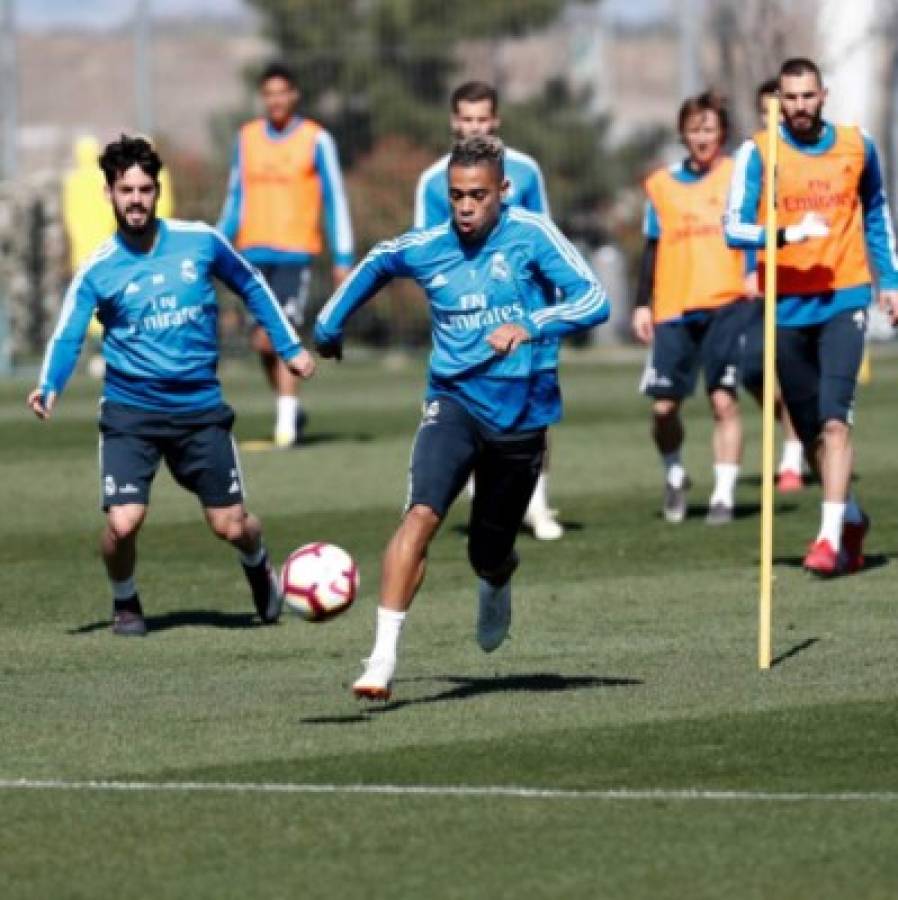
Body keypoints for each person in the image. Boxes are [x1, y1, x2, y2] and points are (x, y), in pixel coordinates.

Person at [316, 135, 609, 699]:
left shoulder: (533, 235)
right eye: (456, 196)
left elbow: (595, 299)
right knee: (420, 515)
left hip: (521, 414)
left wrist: (533, 323)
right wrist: (330, 325)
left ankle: (497, 581)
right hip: (451, 401)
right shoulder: (431, 244)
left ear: (503, 190)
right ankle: (380, 661)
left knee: (488, 552)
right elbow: (378, 261)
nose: (466, 207)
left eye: (477, 195)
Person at [28, 135, 315, 635]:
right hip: (130, 411)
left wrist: (289, 347)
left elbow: (250, 283)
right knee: (123, 522)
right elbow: (69, 331)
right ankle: (126, 602)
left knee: (230, 525)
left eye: (144, 188)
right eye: (125, 190)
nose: (136, 199)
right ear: (109, 194)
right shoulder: (99, 267)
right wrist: (49, 384)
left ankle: (260, 567)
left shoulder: (199, 241)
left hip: (200, 409)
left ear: (157, 190)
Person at [725, 56, 898, 574]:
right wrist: (784, 236)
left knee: (834, 421)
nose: (799, 106)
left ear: (823, 96)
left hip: (844, 299)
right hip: (787, 304)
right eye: (790, 97)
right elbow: (733, 227)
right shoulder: (758, 152)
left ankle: (826, 540)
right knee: (808, 430)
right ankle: (850, 517)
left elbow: (875, 213)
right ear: (778, 99)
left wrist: (888, 282)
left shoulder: (856, 145)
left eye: (808, 95)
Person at [414, 79, 561, 541]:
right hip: (469, 318)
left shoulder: (525, 170)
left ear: (495, 120)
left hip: (527, 316)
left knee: (534, 410)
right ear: (454, 121)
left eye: (483, 118)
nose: (474, 126)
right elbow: (422, 250)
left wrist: (548, 315)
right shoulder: (434, 180)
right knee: (472, 405)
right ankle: (486, 497)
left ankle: (537, 505)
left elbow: (548, 238)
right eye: (466, 118)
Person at [218, 60, 353, 447]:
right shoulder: (247, 138)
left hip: (295, 253)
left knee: (284, 334)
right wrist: (216, 245)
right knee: (261, 341)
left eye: (283, 92)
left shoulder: (315, 139)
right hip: (251, 254)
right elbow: (234, 197)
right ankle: (289, 405)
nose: (276, 100)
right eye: (269, 94)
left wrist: (343, 256)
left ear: (294, 95)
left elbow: (335, 198)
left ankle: (286, 427)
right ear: (263, 98)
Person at [633, 91, 751, 526]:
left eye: (710, 128)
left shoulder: (738, 176)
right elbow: (651, 247)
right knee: (663, 408)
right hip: (673, 307)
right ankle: (676, 474)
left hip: (727, 302)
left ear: (722, 132)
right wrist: (643, 303)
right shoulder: (661, 185)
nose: (702, 137)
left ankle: (723, 494)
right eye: (694, 129)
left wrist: (757, 274)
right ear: (683, 133)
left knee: (723, 400)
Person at [739, 79, 807, 493]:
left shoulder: (807, 160)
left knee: (793, 370)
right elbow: (743, 222)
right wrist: (749, 269)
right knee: (752, 371)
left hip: (798, 278)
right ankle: (797, 430)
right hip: (755, 279)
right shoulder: (753, 158)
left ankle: (794, 454)